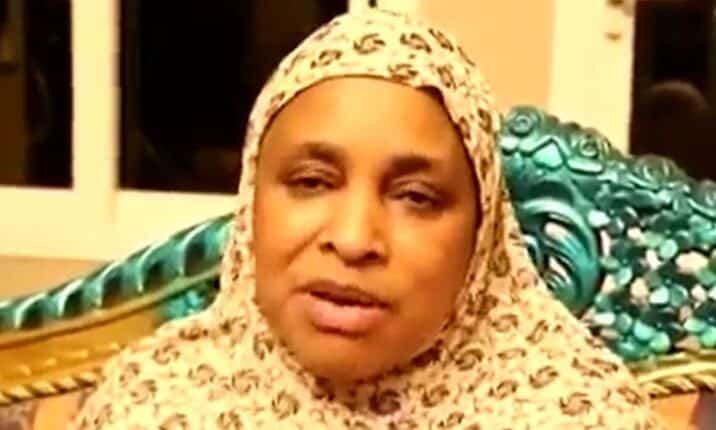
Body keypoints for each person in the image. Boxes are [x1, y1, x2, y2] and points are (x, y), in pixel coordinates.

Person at [73, 9, 663, 429]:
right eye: (311, 182)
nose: (354, 239)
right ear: (252, 205)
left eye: (416, 197)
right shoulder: (153, 404)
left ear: (482, 238)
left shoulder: (579, 415)